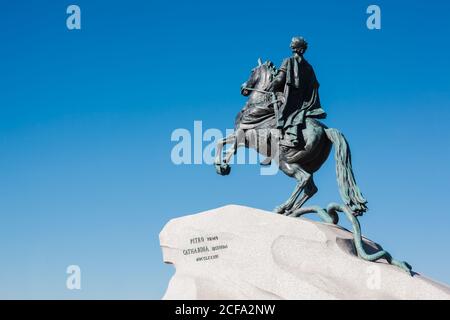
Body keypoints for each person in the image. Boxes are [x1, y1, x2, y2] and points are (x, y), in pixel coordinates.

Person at [267, 36, 327, 147]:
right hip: (305, 102)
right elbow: (314, 85)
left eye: (292, 44)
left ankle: (281, 135)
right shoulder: (309, 67)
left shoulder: (288, 61)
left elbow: (280, 79)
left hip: (291, 99)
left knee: (272, 111)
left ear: (295, 48)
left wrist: (270, 85)